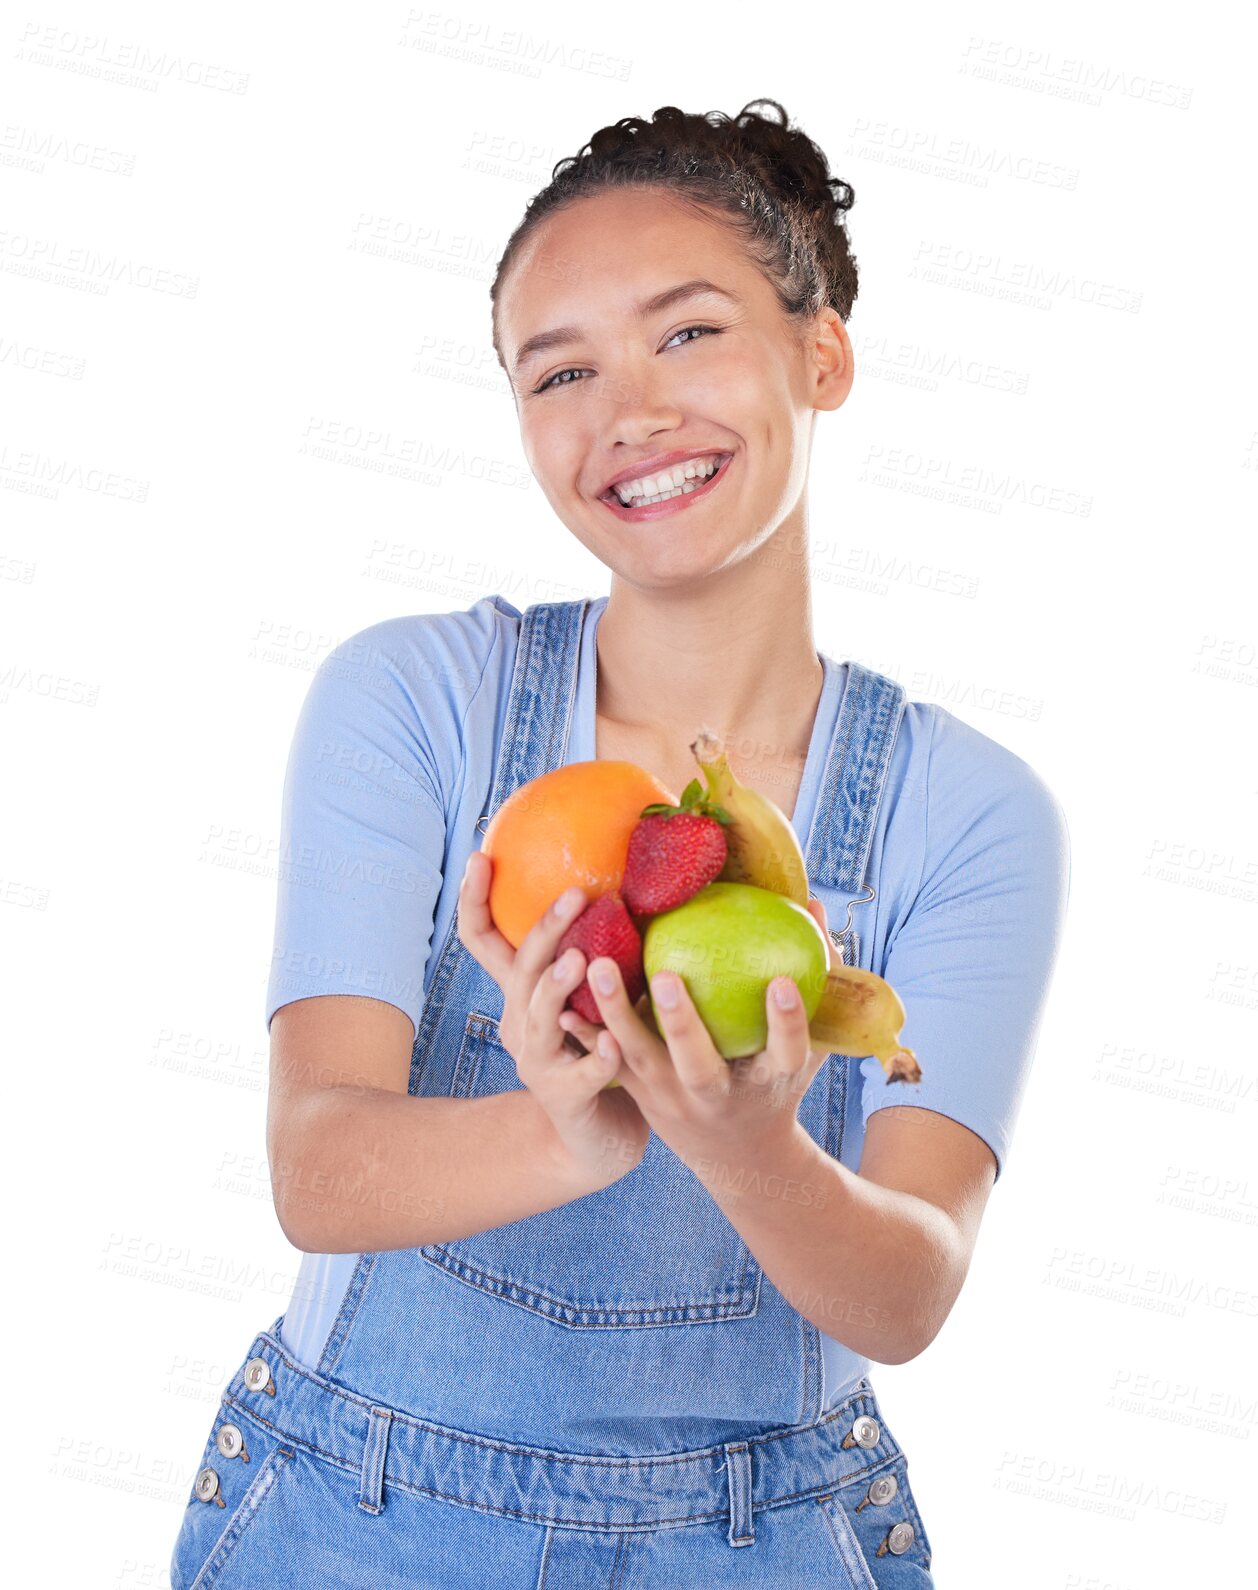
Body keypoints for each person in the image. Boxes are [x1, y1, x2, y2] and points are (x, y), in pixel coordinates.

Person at [168, 98, 1070, 1588]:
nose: (628, 409)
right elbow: (316, 1169)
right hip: (359, 1517)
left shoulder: (964, 810)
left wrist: (744, 1146)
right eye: (562, 369)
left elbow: (904, 1292)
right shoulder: (415, 701)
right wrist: (561, 1128)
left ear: (821, 355)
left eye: (689, 332)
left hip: (760, 1542)